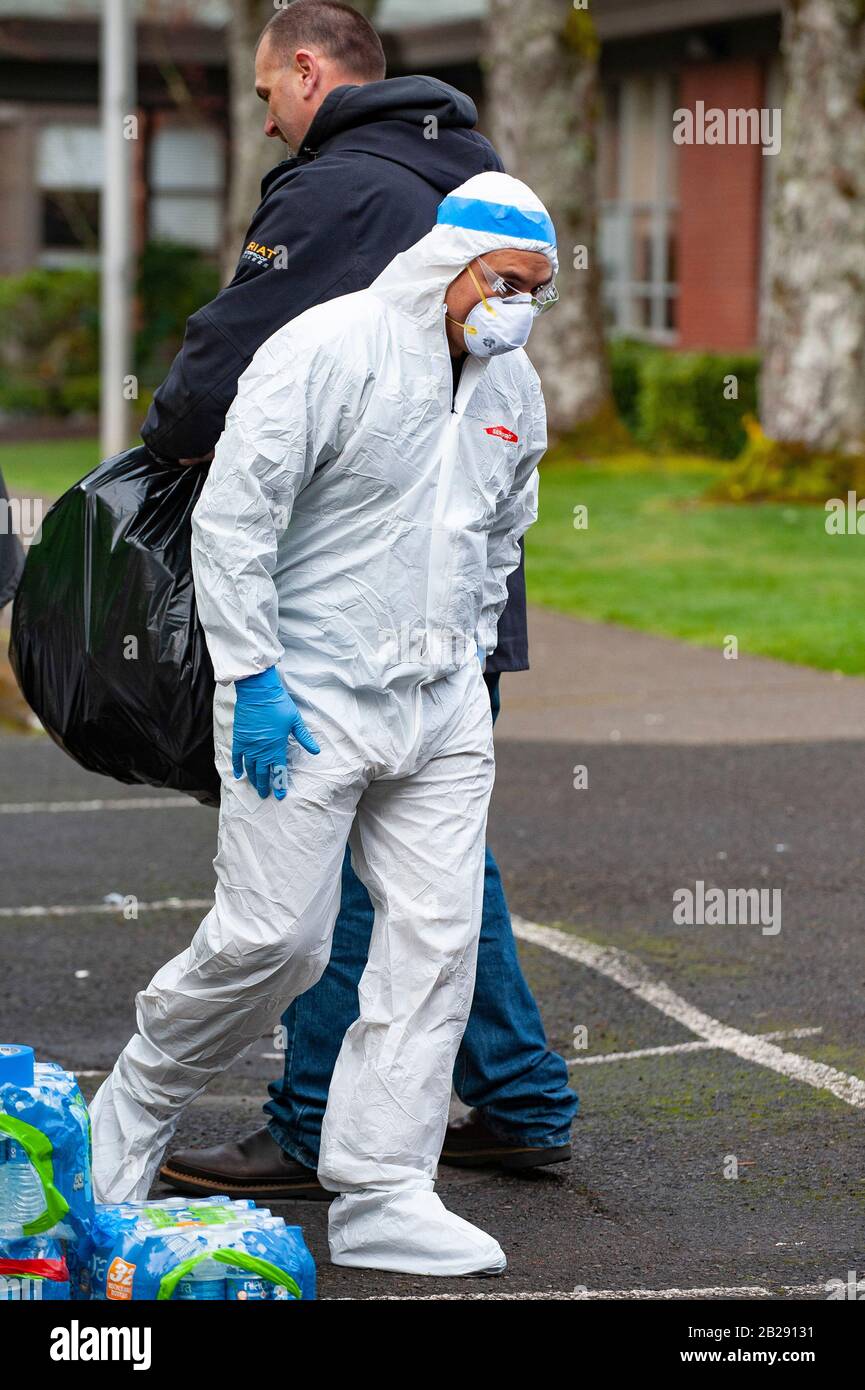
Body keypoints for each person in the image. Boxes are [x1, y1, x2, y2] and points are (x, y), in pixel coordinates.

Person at [90, 170, 557, 1277]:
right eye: (507, 283)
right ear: (450, 265)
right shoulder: (326, 349)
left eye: (539, 289)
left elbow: (504, 528)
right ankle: (130, 1115)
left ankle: (385, 1187)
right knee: (277, 942)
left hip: (440, 707)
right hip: (305, 695)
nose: (521, 307)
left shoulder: (511, 382)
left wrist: (469, 661)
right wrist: (250, 674)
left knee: (434, 943)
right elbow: (235, 521)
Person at [147, 0, 577, 1198]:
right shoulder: (463, 170)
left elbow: (234, 359)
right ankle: (524, 1093)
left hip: (349, 587)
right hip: (448, 589)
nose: (264, 115)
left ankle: (305, 1118)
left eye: (263, 92)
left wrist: (163, 438)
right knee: (432, 855)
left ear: (304, 69)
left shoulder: (335, 186)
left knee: (329, 851)